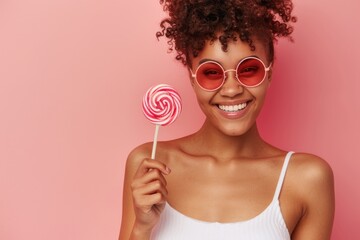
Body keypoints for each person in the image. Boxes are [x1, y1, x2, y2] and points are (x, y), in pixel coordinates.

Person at [119, 0, 335, 239]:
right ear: (192, 79)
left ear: (269, 74)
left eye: (249, 69)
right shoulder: (149, 164)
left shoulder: (306, 178)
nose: (232, 90)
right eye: (211, 73)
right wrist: (142, 227)